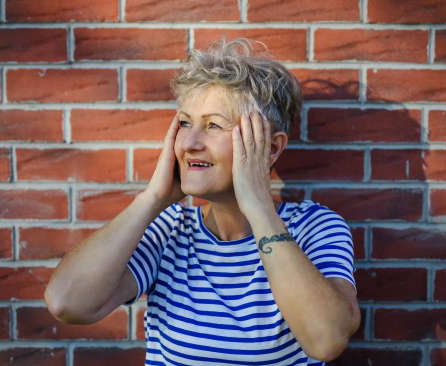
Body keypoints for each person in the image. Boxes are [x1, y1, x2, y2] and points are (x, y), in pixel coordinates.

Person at [44, 38, 360, 366]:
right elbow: (66, 303)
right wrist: (152, 199)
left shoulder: (314, 228)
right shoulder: (168, 231)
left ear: (272, 148)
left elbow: (326, 340)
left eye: (212, 125)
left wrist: (259, 208)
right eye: (184, 124)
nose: (191, 143)